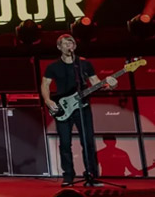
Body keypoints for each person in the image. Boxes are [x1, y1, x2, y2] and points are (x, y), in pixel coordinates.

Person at [40, 33, 115, 187]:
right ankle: (68, 176)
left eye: (72, 43)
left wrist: (108, 85)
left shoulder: (84, 64)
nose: (69, 45)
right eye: (66, 43)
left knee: (88, 142)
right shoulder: (53, 67)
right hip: (63, 108)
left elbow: (95, 83)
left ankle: (91, 175)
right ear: (59, 47)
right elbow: (45, 84)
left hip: (83, 107)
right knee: (65, 144)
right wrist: (47, 100)